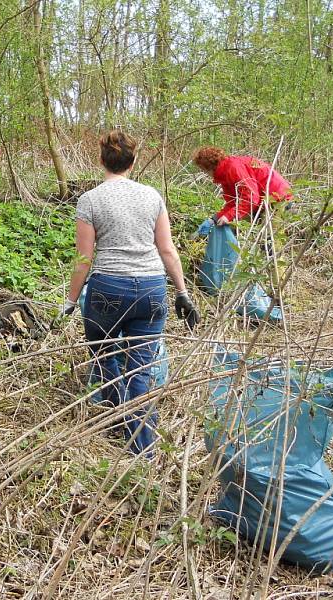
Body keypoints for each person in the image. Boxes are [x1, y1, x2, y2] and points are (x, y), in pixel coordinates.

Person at [63, 130, 200, 458]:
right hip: (151, 289)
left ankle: (114, 420)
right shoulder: (152, 197)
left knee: (105, 355)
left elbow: (84, 260)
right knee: (140, 366)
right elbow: (167, 250)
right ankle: (143, 449)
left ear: (101, 161)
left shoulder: (90, 200)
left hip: (107, 288)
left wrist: (70, 301)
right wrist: (182, 293)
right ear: (133, 161)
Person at [192, 146, 292, 226]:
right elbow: (233, 202)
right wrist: (215, 219)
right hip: (262, 201)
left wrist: (228, 217)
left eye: (203, 170)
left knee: (268, 240)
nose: (205, 173)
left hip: (278, 198)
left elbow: (251, 198)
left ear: (209, 166)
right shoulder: (224, 173)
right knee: (237, 227)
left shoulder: (233, 168)